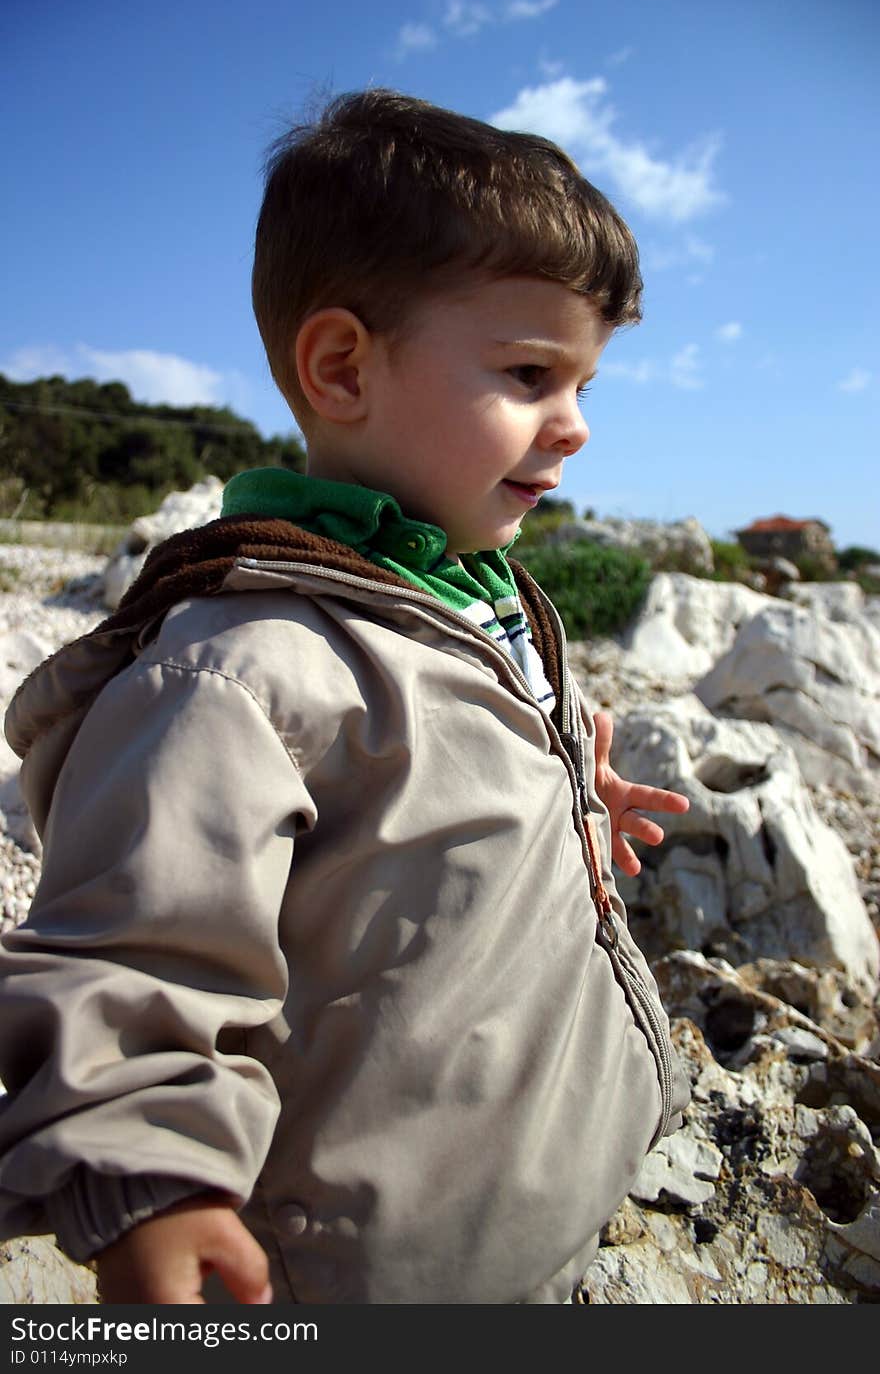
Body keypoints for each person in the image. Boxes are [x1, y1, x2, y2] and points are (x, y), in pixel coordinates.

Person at [0, 89, 691, 1305]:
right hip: (357, 1264)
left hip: (527, 1196)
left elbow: (442, 792)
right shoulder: (241, 671)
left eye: (585, 383)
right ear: (339, 368)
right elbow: (134, 956)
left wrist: (573, 791)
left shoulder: (476, 592)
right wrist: (154, 1191)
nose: (574, 426)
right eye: (531, 371)